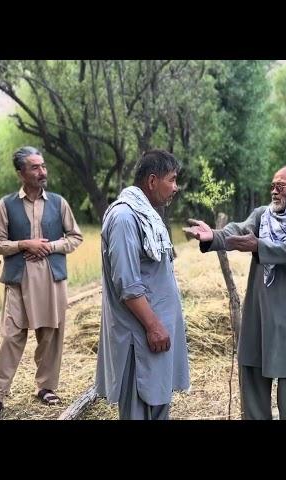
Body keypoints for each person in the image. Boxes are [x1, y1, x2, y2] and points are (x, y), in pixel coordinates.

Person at [184, 165, 286, 420]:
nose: (274, 192)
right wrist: (213, 236)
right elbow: (238, 229)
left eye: (280, 186)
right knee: (253, 395)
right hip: (257, 315)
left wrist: (259, 246)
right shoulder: (263, 216)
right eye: (272, 186)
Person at [0, 146, 83, 420]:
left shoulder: (59, 202)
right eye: (35, 167)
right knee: (11, 337)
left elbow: (75, 237)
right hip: (19, 279)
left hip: (51, 279)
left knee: (50, 334)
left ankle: (45, 387)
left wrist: (50, 247)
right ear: (21, 173)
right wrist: (23, 244)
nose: (42, 172)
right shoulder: (6, 205)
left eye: (43, 166)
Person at [95, 149, 190, 420]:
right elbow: (127, 284)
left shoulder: (147, 215)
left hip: (155, 336)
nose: (176, 187)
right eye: (171, 180)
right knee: (139, 409)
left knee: (157, 405)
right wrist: (154, 326)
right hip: (141, 338)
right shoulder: (125, 218)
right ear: (151, 181)